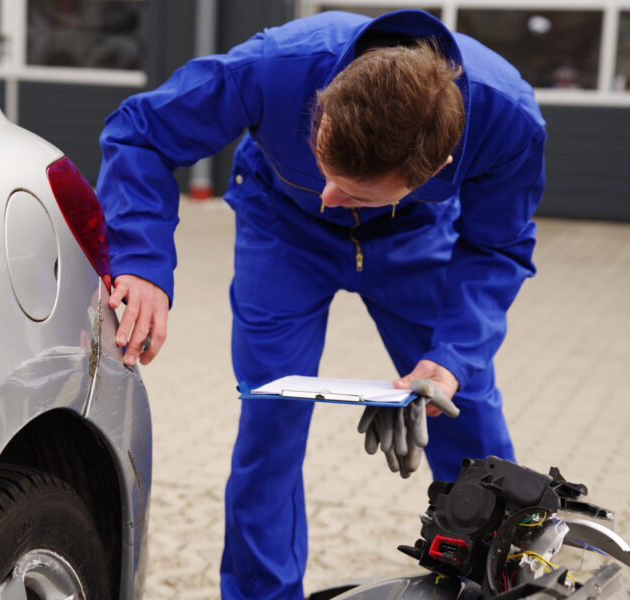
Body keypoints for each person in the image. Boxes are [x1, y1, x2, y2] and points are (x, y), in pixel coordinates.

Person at [96, 9, 546, 600]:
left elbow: (496, 246)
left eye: (355, 192)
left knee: (464, 408)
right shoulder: (275, 68)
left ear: (437, 167)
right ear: (323, 103)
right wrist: (142, 262)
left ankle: (497, 580)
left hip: (415, 242)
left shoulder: (506, 118)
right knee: (270, 424)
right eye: (325, 164)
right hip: (282, 229)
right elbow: (140, 134)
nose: (332, 199)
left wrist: (454, 357)